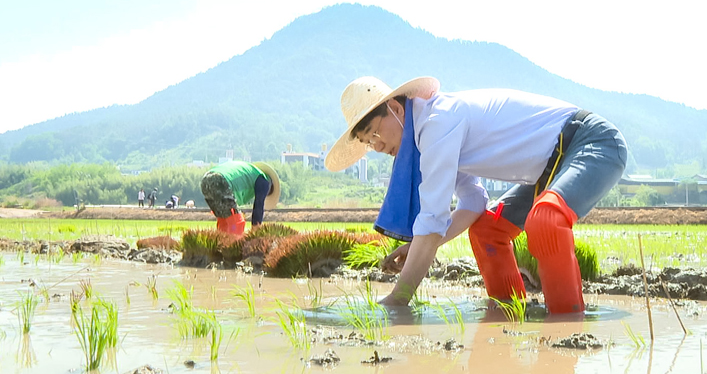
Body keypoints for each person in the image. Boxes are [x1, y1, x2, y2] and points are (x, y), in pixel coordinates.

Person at [325, 76, 627, 314]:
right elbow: (473, 203)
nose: (377, 146)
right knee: (486, 229)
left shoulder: (436, 123)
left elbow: (431, 221)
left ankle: (566, 322)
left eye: (375, 133)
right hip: (548, 170)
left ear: (396, 109)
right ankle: (509, 312)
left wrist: (397, 299)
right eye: (368, 143)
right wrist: (417, 247)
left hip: (591, 142)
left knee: (545, 220)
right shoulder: (429, 134)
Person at [200, 161, 281, 235]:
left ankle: (221, 246)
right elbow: (258, 206)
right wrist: (255, 232)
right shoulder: (264, 180)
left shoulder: (249, 172)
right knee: (237, 222)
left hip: (205, 181)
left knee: (224, 220)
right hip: (221, 181)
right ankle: (233, 246)